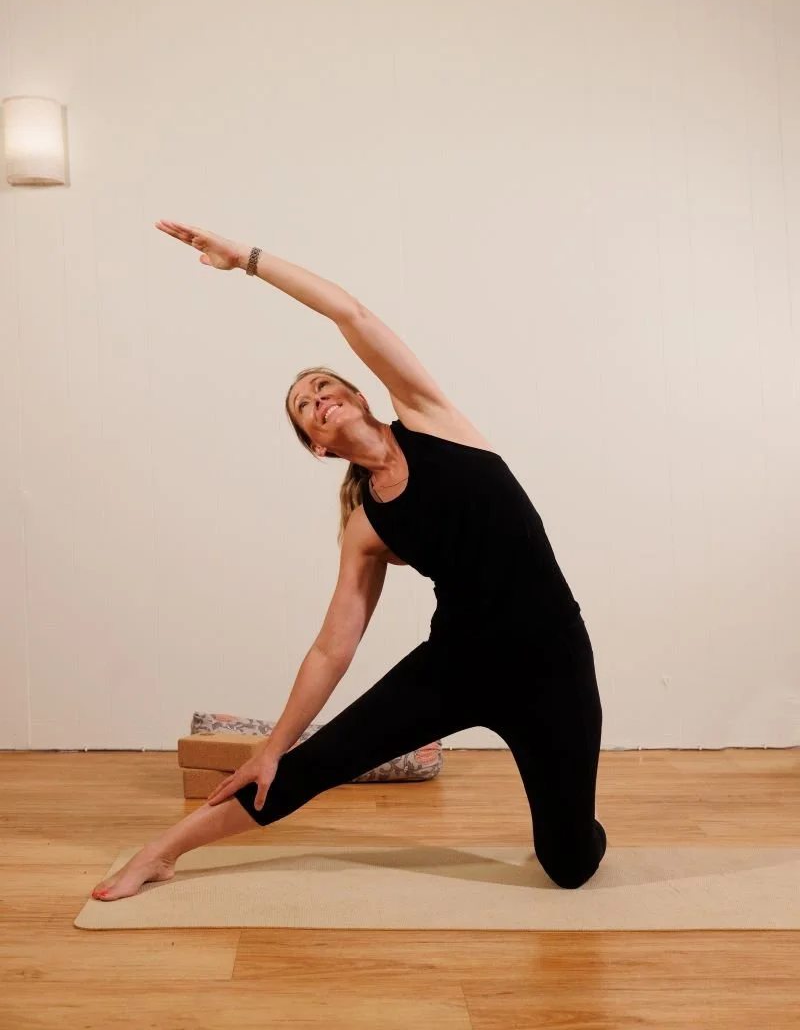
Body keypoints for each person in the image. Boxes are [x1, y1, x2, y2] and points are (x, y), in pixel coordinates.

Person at [91, 220, 606, 902]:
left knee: (569, 864)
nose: (318, 397)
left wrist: (246, 259)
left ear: (360, 395)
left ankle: (579, 825)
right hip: (455, 667)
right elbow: (333, 648)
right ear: (317, 445)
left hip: (553, 664)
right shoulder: (367, 527)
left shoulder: (431, 419)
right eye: (305, 405)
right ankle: (161, 853)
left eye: (324, 385)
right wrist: (272, 744)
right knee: (306, 765)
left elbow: (348, 310)